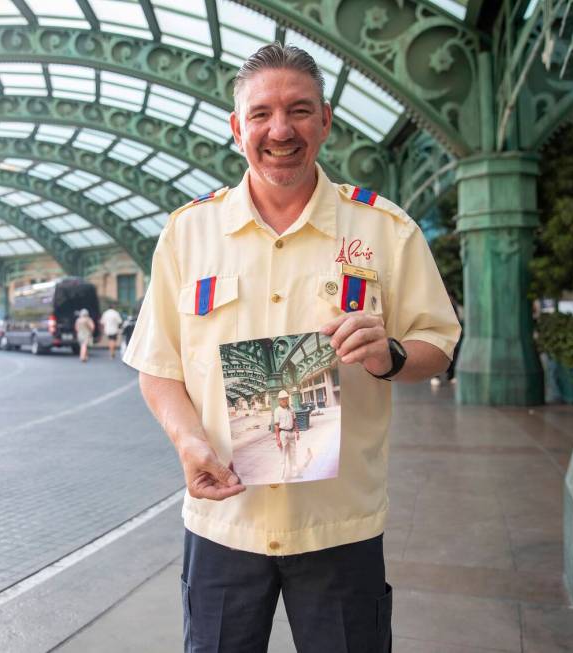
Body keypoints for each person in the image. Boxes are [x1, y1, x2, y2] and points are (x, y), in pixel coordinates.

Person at [124, 43, 461, 652]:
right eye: (261, 114)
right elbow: (158, 367)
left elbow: (438, 340)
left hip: (338, 526)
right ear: (236, 128)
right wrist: (189, 441)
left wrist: (393, 357)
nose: (280, 130)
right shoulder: (188, 233)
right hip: (226, 522)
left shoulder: (385, 230)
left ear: (326, 120)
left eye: (300, 110)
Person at [274, 389, 300, 480]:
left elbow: (294, 420)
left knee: (293, 454)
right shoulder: (277, 410)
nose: (284, 400)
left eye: (286, 398)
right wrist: (277, 439)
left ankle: (294, 473)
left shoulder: (291, 409)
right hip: (283, 434)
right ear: (279, 400)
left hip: (292, 433)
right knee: (283, 455)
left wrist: (297, 432)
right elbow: (276, 426)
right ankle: (282, 476)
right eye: (282, 399)